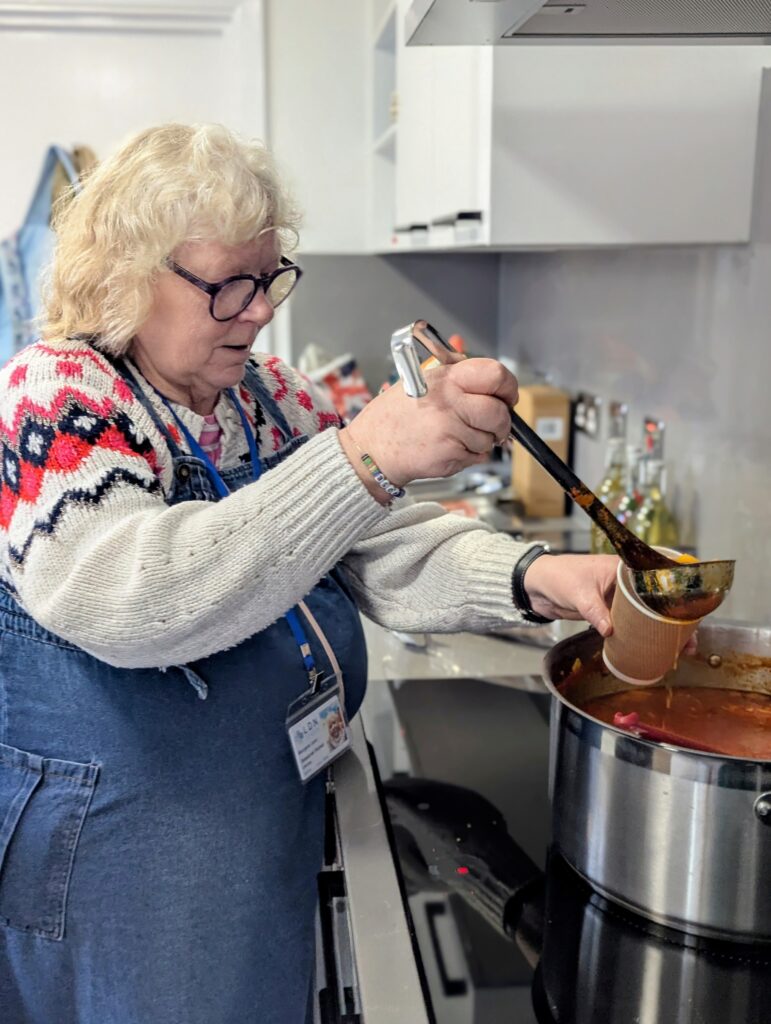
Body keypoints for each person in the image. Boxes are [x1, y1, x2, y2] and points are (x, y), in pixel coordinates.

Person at [0, 122, 618, 1024]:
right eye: (229, 285)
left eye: (270, 277)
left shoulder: (264, 397)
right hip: (117, 862)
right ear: (126, 276)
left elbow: (378, 545)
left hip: (249, 829)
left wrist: (539, 575)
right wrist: (365, 453)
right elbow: (134, 596)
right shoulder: (55, 396)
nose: (259, 310)